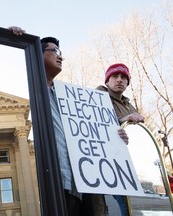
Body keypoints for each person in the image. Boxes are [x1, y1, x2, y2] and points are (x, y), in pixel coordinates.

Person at [9, 27, 129, 215]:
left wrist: (118, 131)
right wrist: (16, 38)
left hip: (80, 184)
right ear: (38, 54)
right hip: (58, 183)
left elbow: (94, 129)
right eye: (55, 51)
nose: (61, 57)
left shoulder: (65, 96)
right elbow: (24, 57)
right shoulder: (36, 85)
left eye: (61, 53)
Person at [96, 63, 144, 216]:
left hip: (132, 162)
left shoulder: (129, 105)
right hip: (110, 162)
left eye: (124, 77)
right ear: (107, 81)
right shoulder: (98, 95)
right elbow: (99, 123)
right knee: (125, 203)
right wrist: (124, 120)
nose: (119, 80)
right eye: (114, 76)